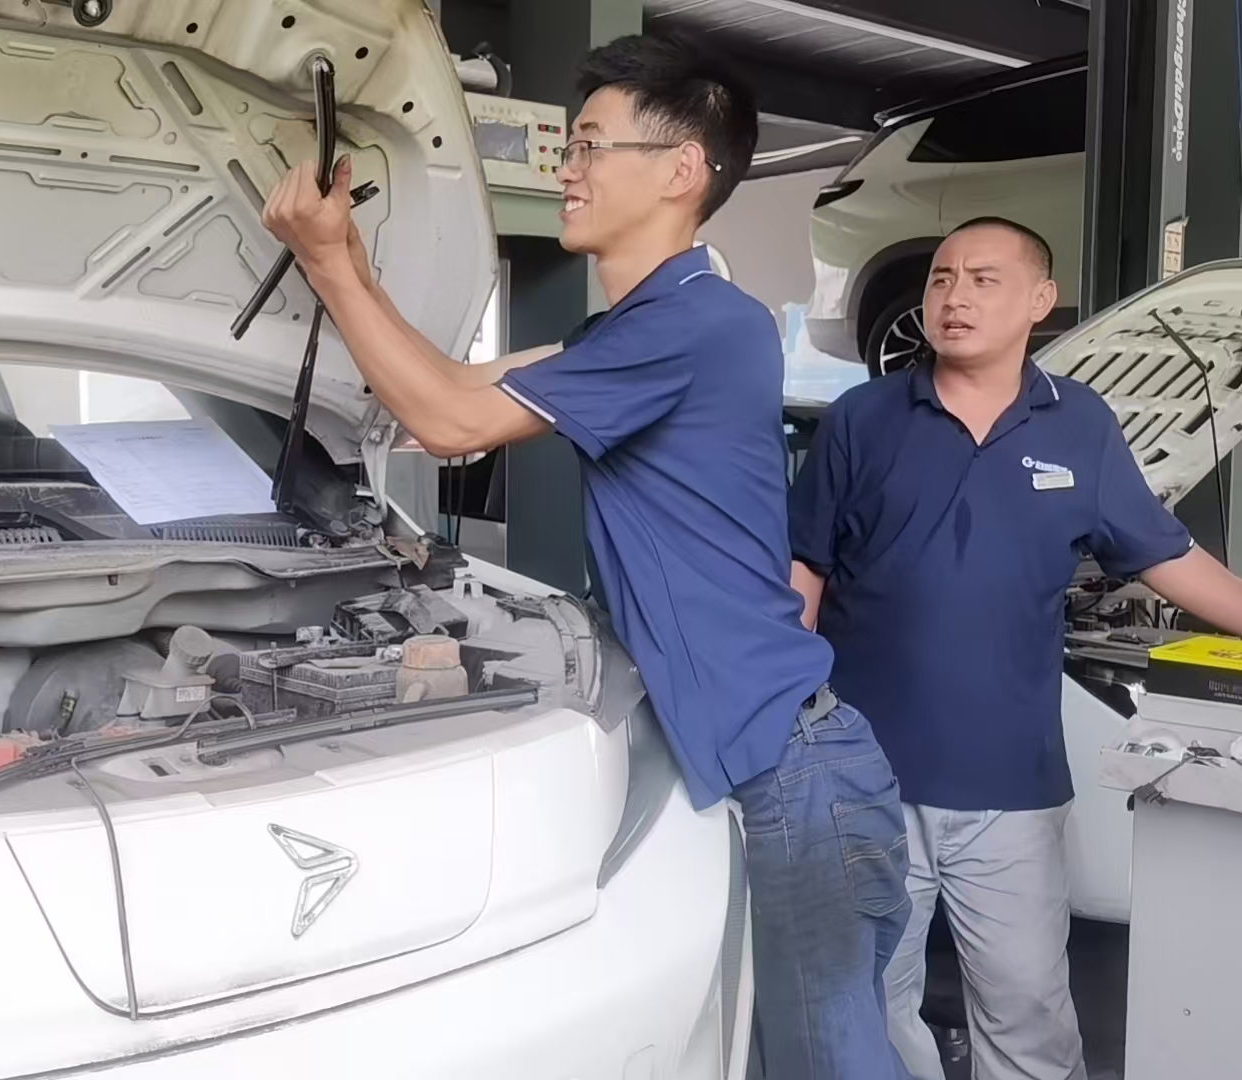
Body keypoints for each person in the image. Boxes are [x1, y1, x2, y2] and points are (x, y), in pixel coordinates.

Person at [262, 33, 910, 1079]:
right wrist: (351, 264)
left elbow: (445, 425)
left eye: (591, 146)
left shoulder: (692, 325)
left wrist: (329, 263)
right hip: (772, 761)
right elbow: (456, 389)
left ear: (682, 169)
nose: (566, 169)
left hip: (795, 771)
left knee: (829, 1067)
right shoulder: (642, 329)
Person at [789, 216, 1242, 1080]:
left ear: (1041, 299)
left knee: (1026, 1003)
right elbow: (803, 565)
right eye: (941, 278)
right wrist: (790, 720)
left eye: (983, 279)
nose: (954, 296)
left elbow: (1166, 554)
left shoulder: (1079, 425)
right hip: (862, 775)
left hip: (1010, 786)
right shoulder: (861, 418)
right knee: (866, 1001)